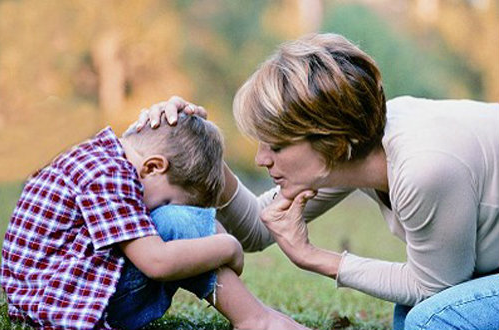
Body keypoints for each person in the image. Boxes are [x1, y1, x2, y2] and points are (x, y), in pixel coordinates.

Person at [135, 33, 499, 330]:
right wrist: (188, 148)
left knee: (431, 320)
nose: (262, 158)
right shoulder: (355, 148)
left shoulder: (424, 168)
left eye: (276, 145)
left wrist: (315, 257)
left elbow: (432, 287)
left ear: (333, 142)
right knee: (414, 318)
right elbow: (258, 229)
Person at [0, 113, 310, 330]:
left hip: (54, 294)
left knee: (178, 224)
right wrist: (229, 246)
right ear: (153, 167)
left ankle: (255, 315)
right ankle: (253, 319)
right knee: (176, 221)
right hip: (67, 305)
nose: (153, 211)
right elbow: (157, 262)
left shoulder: (100, 156)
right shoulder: (109, 176)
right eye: (162, 199)